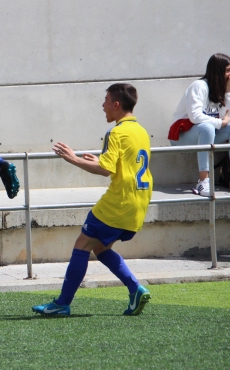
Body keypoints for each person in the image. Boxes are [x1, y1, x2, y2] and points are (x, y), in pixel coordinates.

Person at [32, 83, 153, 317]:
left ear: (116, 105)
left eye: (106, 100)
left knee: (82, 245)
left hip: (117, 203)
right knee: (99, 247)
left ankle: (62, 304)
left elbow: (105, 170)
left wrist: (73, 159)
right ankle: (134, 289)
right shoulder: (141, 131)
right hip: (138, 203)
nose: (103, 105)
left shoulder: (116, 132)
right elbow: (124, 164)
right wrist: (96, 159)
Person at [168, 53, 230, 196]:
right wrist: (221, 123)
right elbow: (195, 117)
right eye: (227, 70)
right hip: (182, 137)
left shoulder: (221, 90)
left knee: (216, 128)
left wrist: (227, 92)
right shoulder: (199, 86)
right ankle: (203, 182)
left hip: (207, 135)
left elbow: (227, 115)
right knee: (207, 127)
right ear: (217, 71)